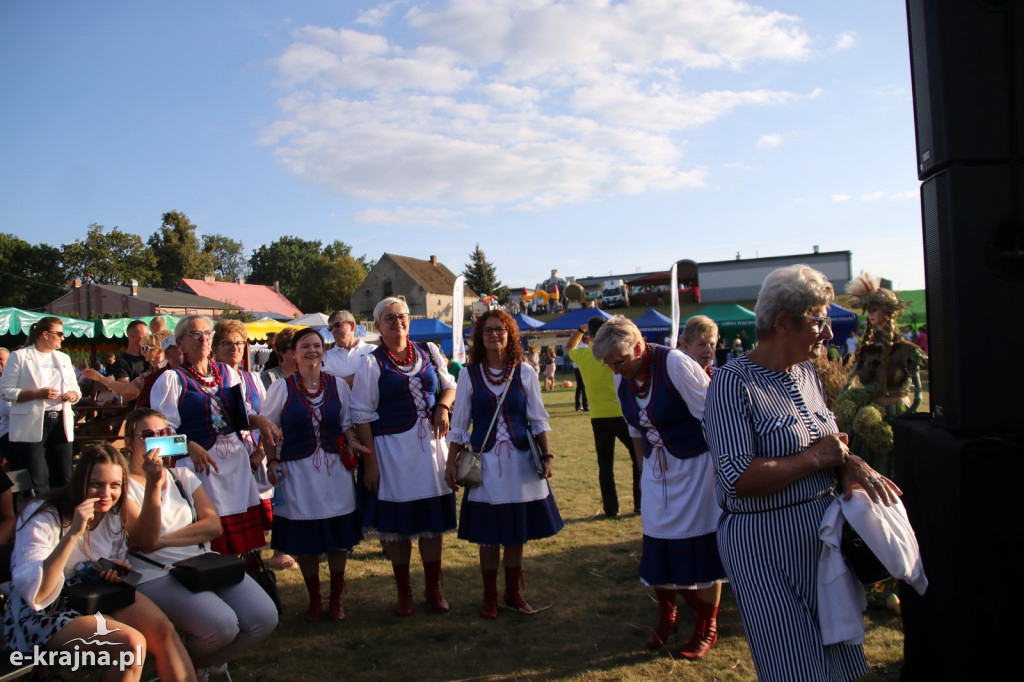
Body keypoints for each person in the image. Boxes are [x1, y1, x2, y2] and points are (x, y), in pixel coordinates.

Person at [703, 264, 901, 682]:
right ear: (783, 323)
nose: (828, 333)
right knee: (795, 666)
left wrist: (849, 464)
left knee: (838, 661)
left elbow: (829, 440)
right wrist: (817, 460)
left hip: (821, 541)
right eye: (819, 321)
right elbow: (737, 478)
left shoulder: (807, 373)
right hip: (766, 547)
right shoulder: (731, 384)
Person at [591, 317, 726, 659]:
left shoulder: (676, 364)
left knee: (703, 542)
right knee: (658, 540)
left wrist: (723, 469)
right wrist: (643, 469)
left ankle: (706, 628)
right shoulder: (624, 377)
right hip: (658, 471)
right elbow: (635, 430)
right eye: (610, 365)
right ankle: (668, 616)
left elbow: (713, 414)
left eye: (619, 362)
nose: (616, 370)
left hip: (697, 467)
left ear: (638, 347)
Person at [4, 443, 196, 681]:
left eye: (115, 485)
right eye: (96, 484)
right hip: (45, 610)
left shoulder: (113, 514)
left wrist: (111, 570)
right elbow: (38, 592)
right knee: (132, 646)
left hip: (94, 593)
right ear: (79, 481)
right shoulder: (45, 513)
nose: (106, 494)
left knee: (163, 630)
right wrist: (74, 533)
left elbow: (115, 553)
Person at [122, 409, 277, 679]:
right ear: (129, 443)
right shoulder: (122, 485)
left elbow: (212, 526)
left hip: (202, 561)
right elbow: (144, 539)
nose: (157, 440)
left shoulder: (182, 475)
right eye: (147, 435)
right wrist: (153, 485)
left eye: (163, 433)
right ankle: (195, 667)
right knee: (223, 626)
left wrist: (163, 540)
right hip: (156, 570)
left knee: (264, 617)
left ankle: (197, 665)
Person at [444, 310, 563, 618]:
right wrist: (449, 464)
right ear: (479, 338)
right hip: (485, 465)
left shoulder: (525, 372)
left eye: (500, 330)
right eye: (488, 331)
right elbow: (459, 425)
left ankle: (512, 591)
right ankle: (489, 597)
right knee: (489, 536)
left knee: (515, 533)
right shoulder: (469, 375)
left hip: (522, 464)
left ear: (510, 335)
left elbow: (537, 419)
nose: (494, 335)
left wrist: (547, 457)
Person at [351, 297, 457, 616]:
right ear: (378, 326)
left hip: (430, 449)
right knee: (397, 527)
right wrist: (370, 463)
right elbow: (361, 415)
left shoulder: (428, 352)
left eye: (402, 316)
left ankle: (433, 587)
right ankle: (404, 591)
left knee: (431, 523)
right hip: (392, 452)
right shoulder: (370, 362)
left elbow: (450, 385)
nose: (397, 322)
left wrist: (442, 406)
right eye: (389, 318)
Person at [150, 315, 282, 558]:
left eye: (207, 334)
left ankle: (245, 577)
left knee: (243, 546)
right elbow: (156, 440)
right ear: (179, 343)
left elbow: (241, 417)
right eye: (195, 334)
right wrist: (188, 445)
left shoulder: (226, 373)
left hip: (236, 466)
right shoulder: (172, 380)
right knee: (213, 541)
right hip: (202, 471)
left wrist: (260, 421)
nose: (203, 339)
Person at [261, 328, 369, 622]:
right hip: (298, 472)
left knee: (338, 538)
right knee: (305, 539)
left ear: (324, 351)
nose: (312, 351)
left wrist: (351, 440)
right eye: (305, 346)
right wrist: (272, 461)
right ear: (292, 353)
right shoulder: (281, 388)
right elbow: (268, 431)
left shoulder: (337, 386)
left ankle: (336, 599)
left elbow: (345, 423)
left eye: (317, 346)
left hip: (334, 471)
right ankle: (315, 600)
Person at [834, 274, 928, 481]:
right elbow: (848, 383)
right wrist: (841, 404)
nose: (870, 315)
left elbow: (918, 395)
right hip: (867, 418)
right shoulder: (867, 350)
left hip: (895, 415)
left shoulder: (906, 351)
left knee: (894, 468)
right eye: (869, 310)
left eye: (874, 309)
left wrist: (906, 420)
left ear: (888, 312)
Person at [566, 318, 641, 518]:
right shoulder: (616, 353)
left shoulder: (583, 354)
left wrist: (579, 330)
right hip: (623, 414)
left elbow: (568, 347)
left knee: (605, 466)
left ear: (590, 336)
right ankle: (640, 503)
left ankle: (611, 508)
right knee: (638, 459)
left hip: (599, 417)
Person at [0, 317, 81, 492]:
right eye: (59, 333)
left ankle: (63, 515)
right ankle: (37, 515)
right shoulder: (20, 356)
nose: (63, 337)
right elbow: (5, 391)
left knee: (64, 475)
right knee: (36, 479)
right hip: (31, 423)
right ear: (45, 334)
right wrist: (37, 394)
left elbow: (76, 389)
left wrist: (73, 395)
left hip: (60, 421)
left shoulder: (64, 358)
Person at [83, 333, 168, 406]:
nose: (143, 352)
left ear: (159, 351)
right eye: (142, 348)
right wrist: (100, 378)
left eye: (146, 348)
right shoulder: (151, 372)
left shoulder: (168, 370)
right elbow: (126, 388)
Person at [323, 310, 374, 387]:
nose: (333, 330)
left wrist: (341, 382)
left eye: (337, 325)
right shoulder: (326, 356)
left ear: (352, 325)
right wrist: (364, 373)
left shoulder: (372, 350)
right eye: (330, 328)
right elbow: (329, 385)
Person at [113, 320, 151, 385]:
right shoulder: (122, 362)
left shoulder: (150, 357)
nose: (148, 339)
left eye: (148, 336)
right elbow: (126, 392)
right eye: (145, 336)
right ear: (132, 337)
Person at [568, 333, 589, 411]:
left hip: (576, 368)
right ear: (586, 340)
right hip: (582, 368)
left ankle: (577, 406)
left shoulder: (578, 347)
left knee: (579, 388)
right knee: (584, 387)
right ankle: (586, 406)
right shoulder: (586, 348)